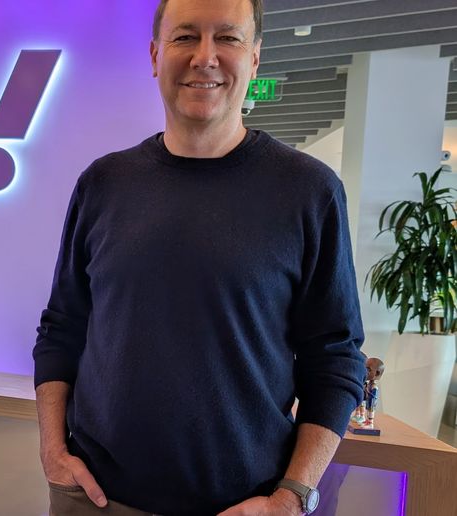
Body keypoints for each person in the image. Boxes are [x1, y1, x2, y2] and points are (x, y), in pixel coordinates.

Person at [32, 0, 366, 514]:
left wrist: (293, 496)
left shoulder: (308, 191)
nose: (204, 57)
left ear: (254, 60)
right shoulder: (103, 184)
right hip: (96, 499)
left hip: (242, 504)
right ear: (154, 54)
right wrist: (53, 451)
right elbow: (62, 327)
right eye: (185, 36)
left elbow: (335, 358)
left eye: (228, 39)